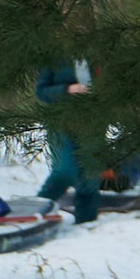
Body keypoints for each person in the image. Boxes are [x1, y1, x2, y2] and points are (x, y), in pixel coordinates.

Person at [34, 59, 103, 224]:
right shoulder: (54, 56)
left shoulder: (101, 50)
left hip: (93, 121)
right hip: (61, 121)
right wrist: (67, 89)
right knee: (65, 171)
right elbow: (41, 92)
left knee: (90, 175)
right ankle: (35, 212)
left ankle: (86, 223)